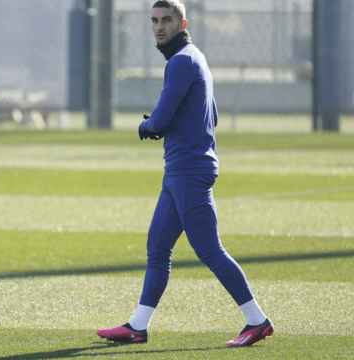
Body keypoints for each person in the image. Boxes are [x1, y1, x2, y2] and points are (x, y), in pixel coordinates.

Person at [97, 0, 273, 348]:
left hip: (188, 171)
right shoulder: (196, 58)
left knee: (210, 250)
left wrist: (146, 125)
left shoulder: (180, 62)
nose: (159, 26)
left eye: (166, 20)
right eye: (154, 21)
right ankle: (137, 326)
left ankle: (257, 320)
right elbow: (212, 115)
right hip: (181, 169)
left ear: (183, 22)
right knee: (158, 247)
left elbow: (160, 120)